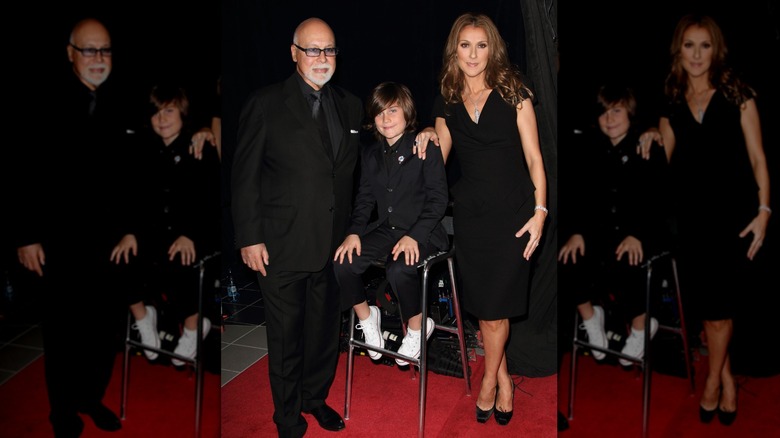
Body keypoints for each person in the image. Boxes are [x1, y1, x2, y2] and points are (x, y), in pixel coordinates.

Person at [230, 17, 362, 436]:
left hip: (333, 248)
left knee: (324, 334)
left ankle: (314, 399)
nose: (323, 58)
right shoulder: (265, 103)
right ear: (294, 53)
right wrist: (249, 236)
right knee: (286, 339)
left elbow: (376, 151)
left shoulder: (352, 105)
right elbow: (244, 176)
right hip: (281, 246)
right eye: (313, 49)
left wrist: (428, 131)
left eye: (330, 50)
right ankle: (286, 416)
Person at [639, 13, 771, 426]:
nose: (697, 54)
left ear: (716, 50)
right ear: (679, 50)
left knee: (719, 311)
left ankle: (713, 381)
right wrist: (652, 134)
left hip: (734, 217)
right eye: (689, 45)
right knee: (710, 310)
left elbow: (758, 158)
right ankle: (726, 378)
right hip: (691, 220)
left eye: (705, 45)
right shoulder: (672, 100)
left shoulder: (739, 94)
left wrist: (765, 211)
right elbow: (668, 153)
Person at [14, 17, 136, 437]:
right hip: (58, 241)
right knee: (64, 332)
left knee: (104, 330)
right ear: (70, 53)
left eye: (105, 50)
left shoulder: (121, 100)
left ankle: (90, 398)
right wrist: (25, 235)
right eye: (90, 50)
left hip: (110, 244)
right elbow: (22, 172)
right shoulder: (41, 100)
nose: (98, 59)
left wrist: (132, 228)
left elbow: (135, 174)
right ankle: (62, 410)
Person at [431, 13, 548, 426]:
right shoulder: (446, 97)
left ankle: (489, 383)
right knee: (484, 311)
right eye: (465, 45)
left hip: (515, 217)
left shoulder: (514, 90)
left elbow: (535, 158)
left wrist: (540, 212)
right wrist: (425, 136)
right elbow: (437, 160)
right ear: (455, 50)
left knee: (497, 312)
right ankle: (504, 379)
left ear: (492, 48)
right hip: (472, 219)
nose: (473, 54)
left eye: (481, 45)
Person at [333, 81, 449, 366]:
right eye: (379, 113)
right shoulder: (370, 154)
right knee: (342, 262)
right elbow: (364, 200)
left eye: (393, 111)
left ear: (407, 112)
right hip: (387, 230)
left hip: (425, 232)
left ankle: (418, 327)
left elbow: (438, 201)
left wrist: (414, 236)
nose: (386, 119)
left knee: (399, 268)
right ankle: (368, 318)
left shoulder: (424, 146)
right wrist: (353, 233)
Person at [558, 84, 670, 367]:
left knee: (625, 259)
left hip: (640, 235)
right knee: (566, 256)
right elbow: (580, 198)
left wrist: (637, 234)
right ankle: (590, 317)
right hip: (600, 233)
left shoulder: (646, 145)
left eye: (617, 111)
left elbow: (658, 201)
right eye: (604, 112)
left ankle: (643, 324)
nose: (610, 118)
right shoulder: (589, 148)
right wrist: (577, 233)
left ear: (631, 114)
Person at [115, 83, 220, 367]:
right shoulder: (142, 147)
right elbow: (132, 198)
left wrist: (190, 234)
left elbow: (209, 201)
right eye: (156, 112)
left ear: (183, 113)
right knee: (118, 256)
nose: (162, 118)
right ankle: (142, 316)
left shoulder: (199, 144)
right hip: (153, 232)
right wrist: (129, 232)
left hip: (193, 234)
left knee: (179, 260)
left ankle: (194, 325)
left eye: (169, 111)